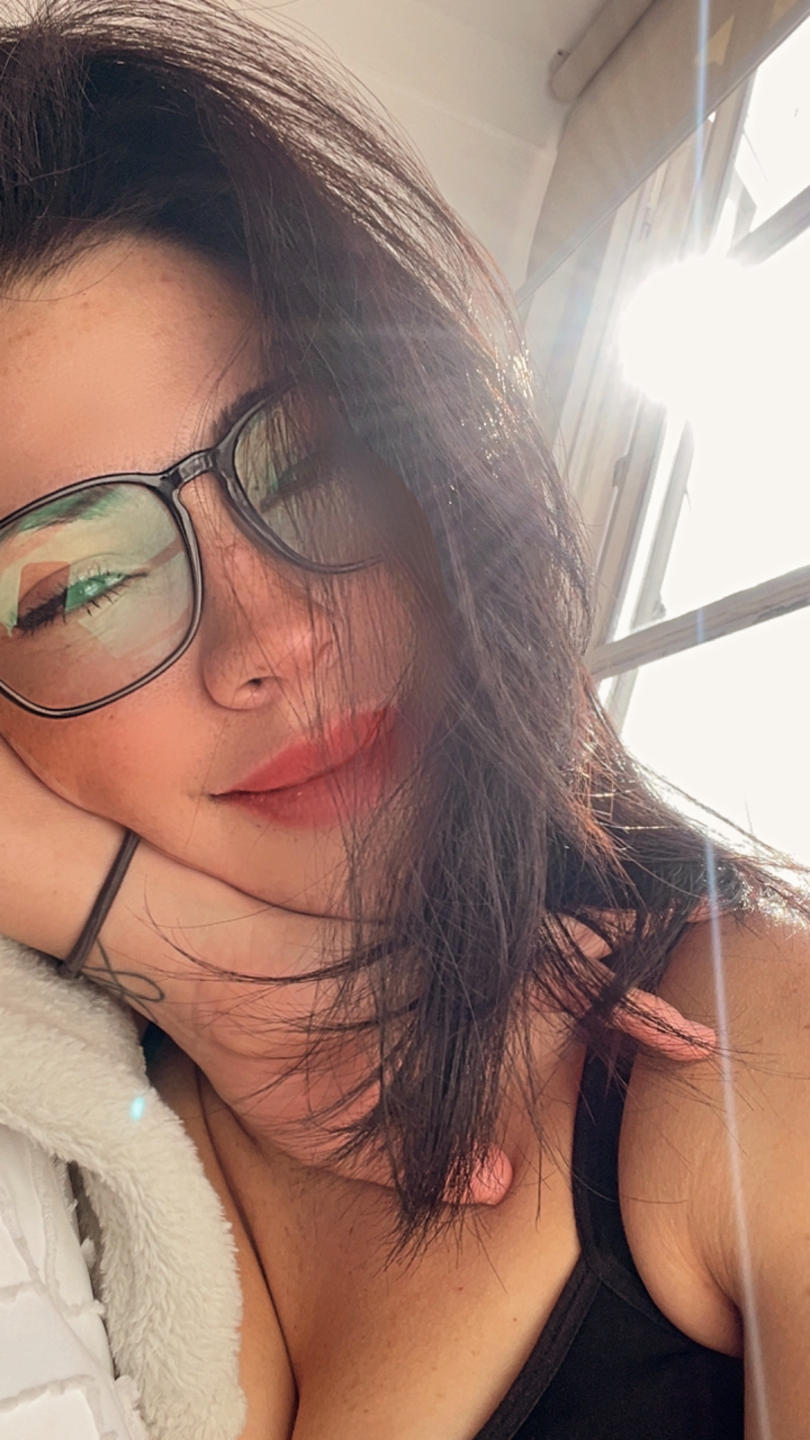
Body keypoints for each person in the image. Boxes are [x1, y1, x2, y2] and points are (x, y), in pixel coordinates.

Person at [0, 2, 807, 1437]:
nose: (274, 636)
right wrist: (152, 932)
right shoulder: (66, 1116)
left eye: (311, 462)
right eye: (80, 588)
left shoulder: (752, 1058)